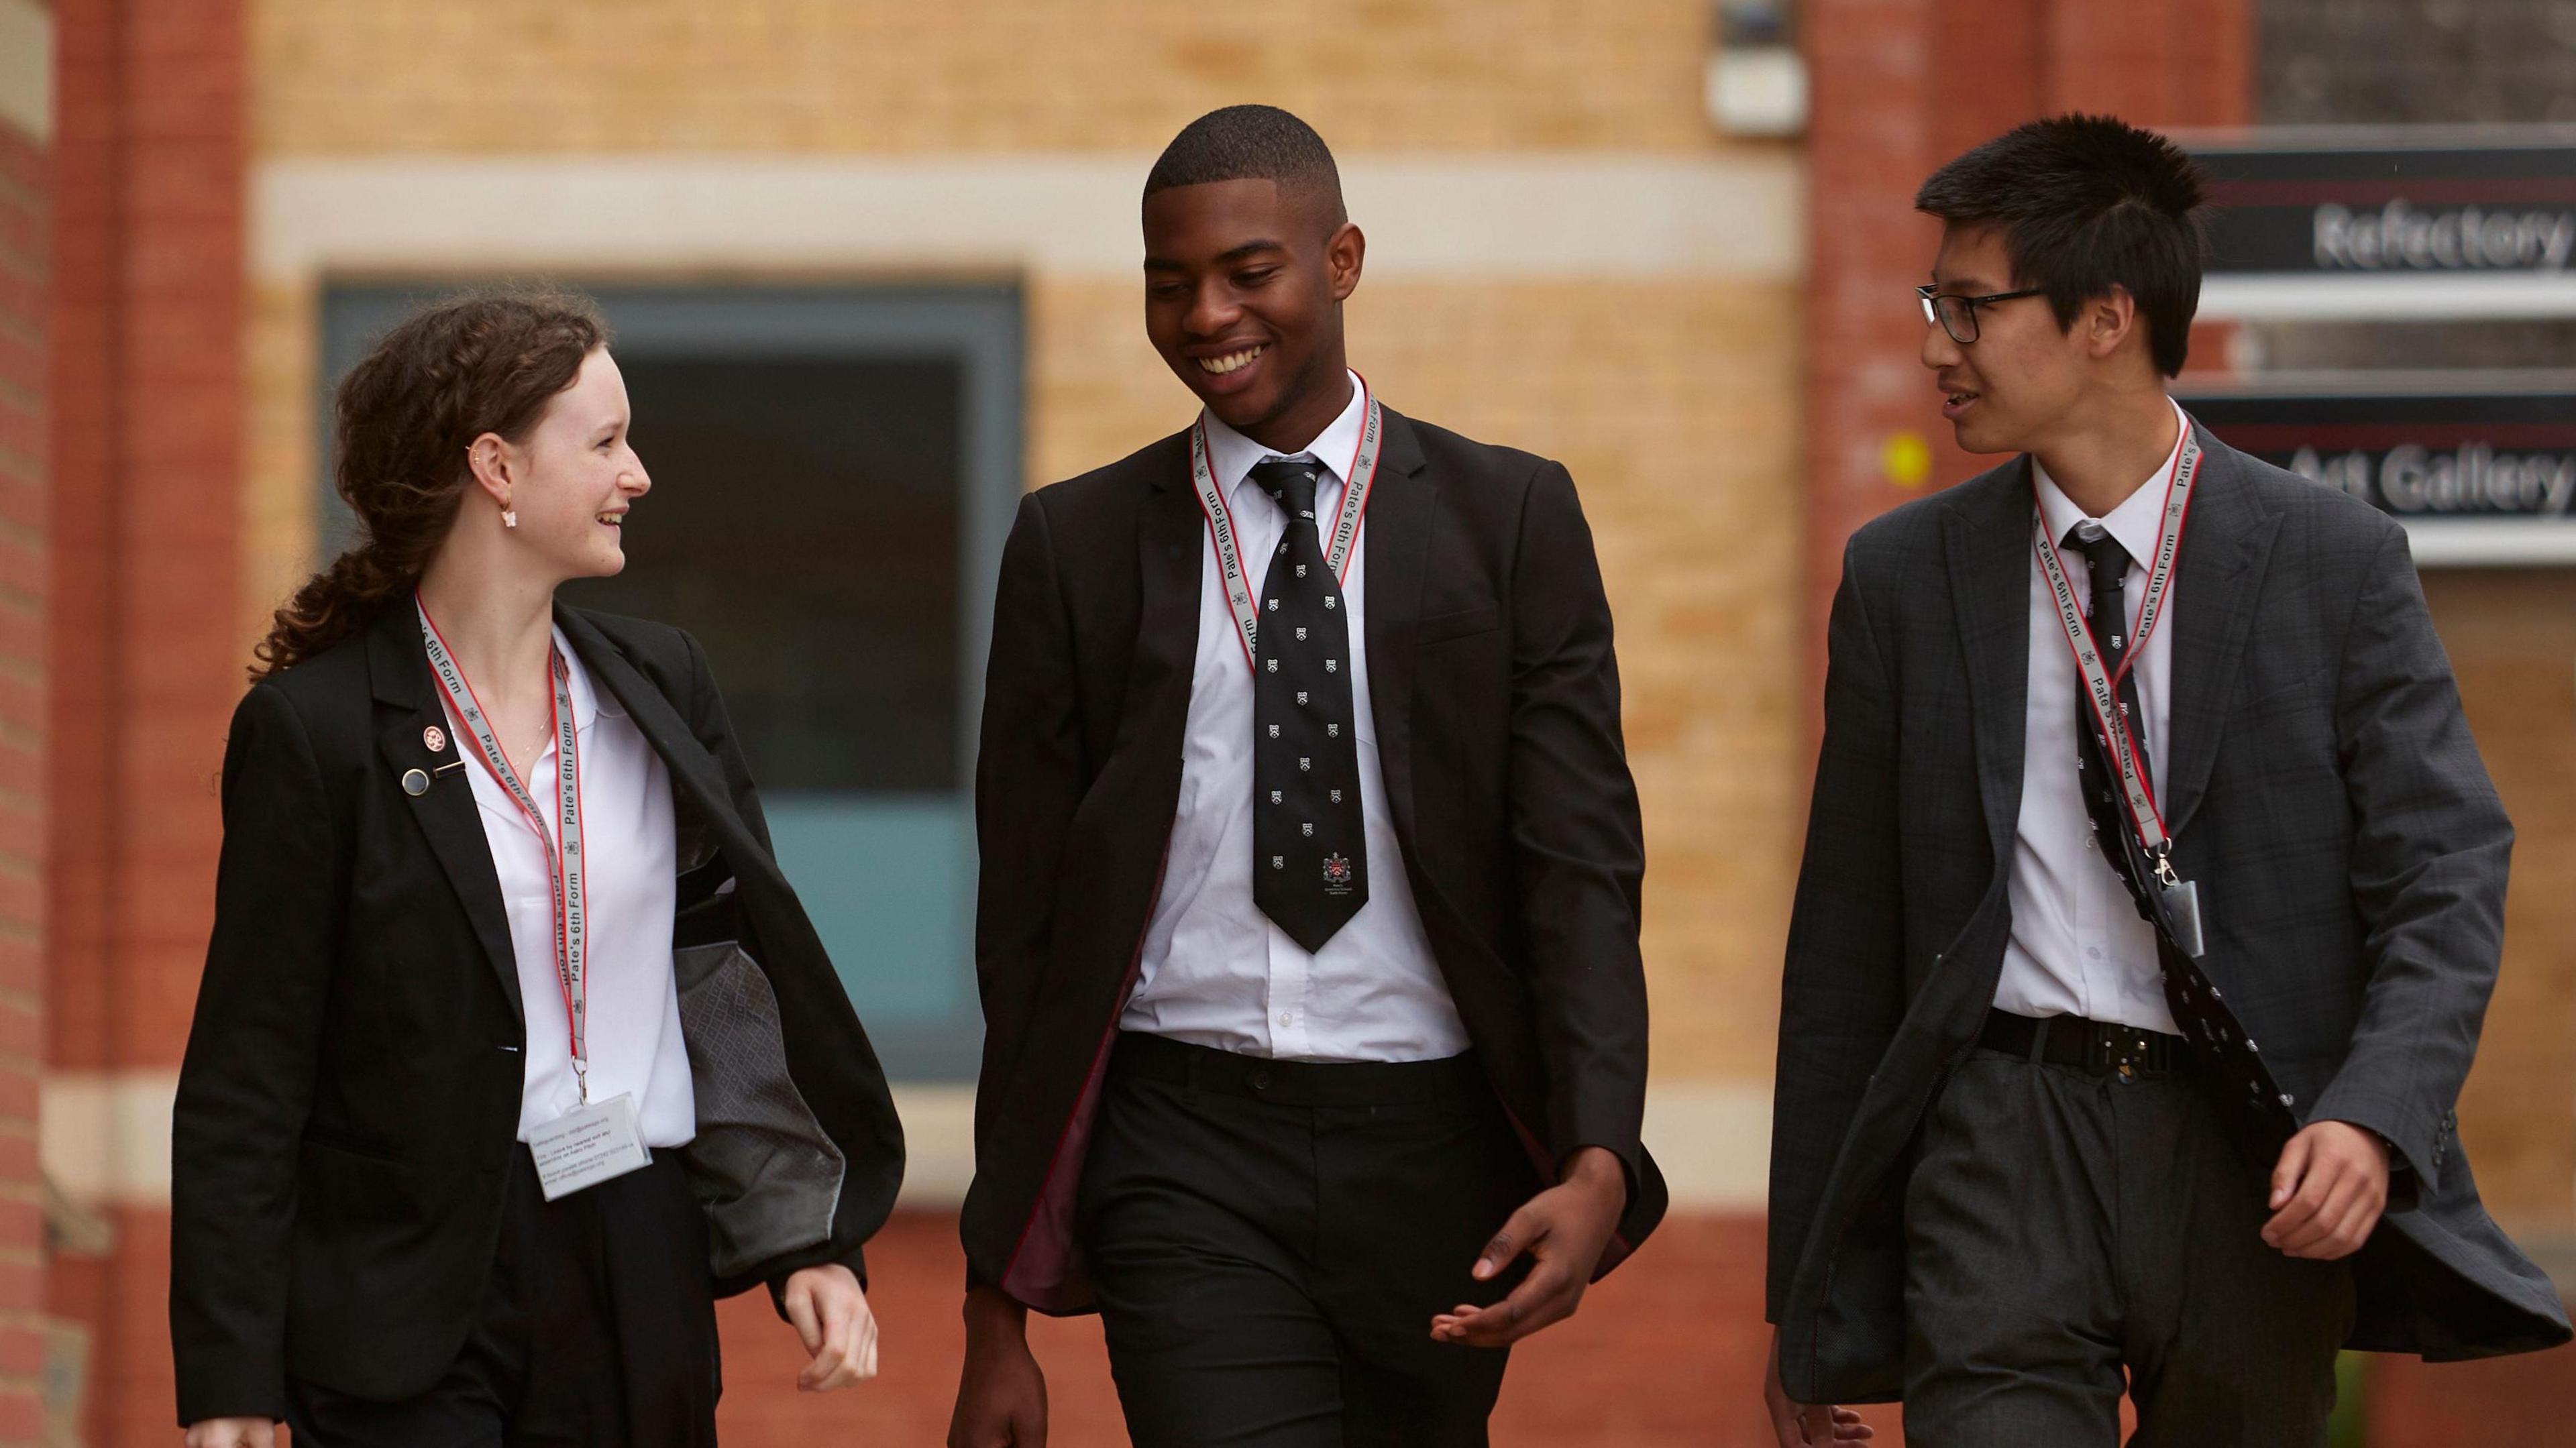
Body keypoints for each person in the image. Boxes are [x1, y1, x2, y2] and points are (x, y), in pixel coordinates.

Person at [1762, 115, 2572, 1448]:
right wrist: (1809, 1316)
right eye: (1933, 305)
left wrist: (2374, 1118)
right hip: (1999, 1143)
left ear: (2104, 318)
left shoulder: (2330, 561)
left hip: (2247, 1145)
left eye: (1969, 308)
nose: (1933, 349)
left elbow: (2445, 872)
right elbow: (1844, 956)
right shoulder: (1907, 581)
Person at [947, 105, 1667, 1448]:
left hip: (1437, 1147)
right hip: (1183, 1144)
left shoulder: (1511, 520)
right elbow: (1028, 939)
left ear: (1340, 261)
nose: (1207, 313)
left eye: (1248, 272)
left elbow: (1578, 867)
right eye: (1171, 284)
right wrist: (996, 1304)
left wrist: (1600, 1155)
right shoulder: (1075, 545)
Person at [171, 288, 906, 1448]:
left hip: (636, 1253)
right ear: (496, 470)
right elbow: (250, 1072)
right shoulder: (312, 731)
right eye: (606, 443)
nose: (641, 475)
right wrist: (229, 1378)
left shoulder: (663, 686)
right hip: (404, 1294)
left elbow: (721, 977)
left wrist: (803, 1241)